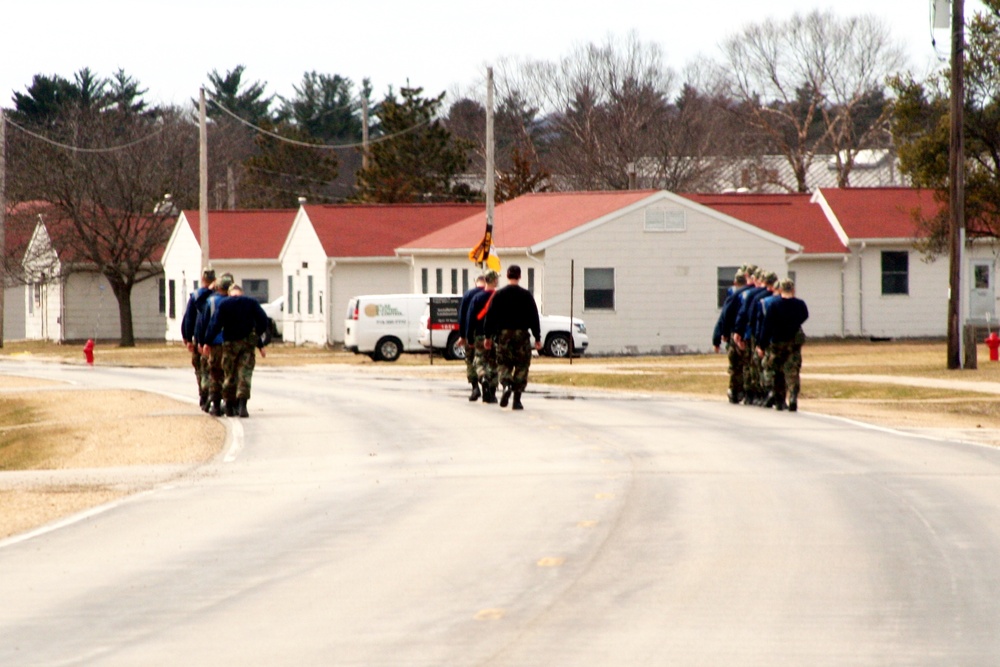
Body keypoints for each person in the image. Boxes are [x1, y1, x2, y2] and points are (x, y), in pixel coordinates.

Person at [203, 282, 271, 418]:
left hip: (230, 344)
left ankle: (229, 406)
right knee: (244, 374)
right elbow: (263, 320)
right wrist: (257, 334)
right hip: (247, 344)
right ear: (241, 292)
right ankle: (242, 406)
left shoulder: (224, 304)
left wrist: (207, 341)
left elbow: (215, 324)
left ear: (230, 293)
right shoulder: (251, 303)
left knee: (230, 374)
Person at [484, 265, 541, 410]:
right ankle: (517, 400)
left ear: (508, 276)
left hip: (503, 335)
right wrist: (537, 337)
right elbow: (534, 317)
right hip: (522, 334)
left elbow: (490, 317)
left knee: (504, 364)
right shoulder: (526, 295)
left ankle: (506, 385)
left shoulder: (499, 295)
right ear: (519, 276)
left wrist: (488, 337)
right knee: (522, 366)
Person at [756, 279, 809, 412]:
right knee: (793, 370)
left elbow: (766, 326)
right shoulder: (800, 305)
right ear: (793, 289)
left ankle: (780, 399)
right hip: (793, 343)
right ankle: (793, 397)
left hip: (777, 342)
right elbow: (804, 316)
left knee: (777, 370)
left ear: (780, 290)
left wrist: (761, 345)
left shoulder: (774, 305)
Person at [197, 272, 232, 416]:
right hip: (230, 342)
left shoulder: (210, 302)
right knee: (230, 374)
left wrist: (202, 341)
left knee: (215, 374)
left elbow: (202, 322)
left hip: (214, 343)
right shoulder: (234, 301)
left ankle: (216, 405)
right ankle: (230, 405)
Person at [713, 269, 749, 404]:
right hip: (746, 333)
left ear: (735, 282)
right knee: (747, 364)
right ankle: (745, 390)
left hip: (735, 333)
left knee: (735, 365)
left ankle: (735, 390)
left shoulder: (733, 295)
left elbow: (724, 317)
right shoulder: (750, 294)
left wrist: (720, 336)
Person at [180, 268, 215, 409]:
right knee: (213, 368)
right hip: (215, 337)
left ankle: (203, 395)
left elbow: (189, 318)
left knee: (201, 368)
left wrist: (187, 337)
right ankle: (212, 395)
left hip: (199, 337)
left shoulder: (195, 296)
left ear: (202, 279)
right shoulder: (217, 296)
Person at [464, 271, 500, 403]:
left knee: (479, 361)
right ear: (495, 281)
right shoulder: (499, 297)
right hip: (495, 336)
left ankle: (482, 377)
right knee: (493, 363)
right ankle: (492, 393)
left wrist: (469, 337)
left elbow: (470, 318)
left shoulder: (477, 298)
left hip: (479, 334)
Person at [456, 274, 487, 401]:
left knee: (470, 360)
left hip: (472, 333)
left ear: (476, 282)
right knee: (488, 361)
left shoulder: (468, 295)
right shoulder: (492, 294)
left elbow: (462, 317)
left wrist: (462, 335)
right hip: (487, 333)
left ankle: (475, 388)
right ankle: (489, 390)